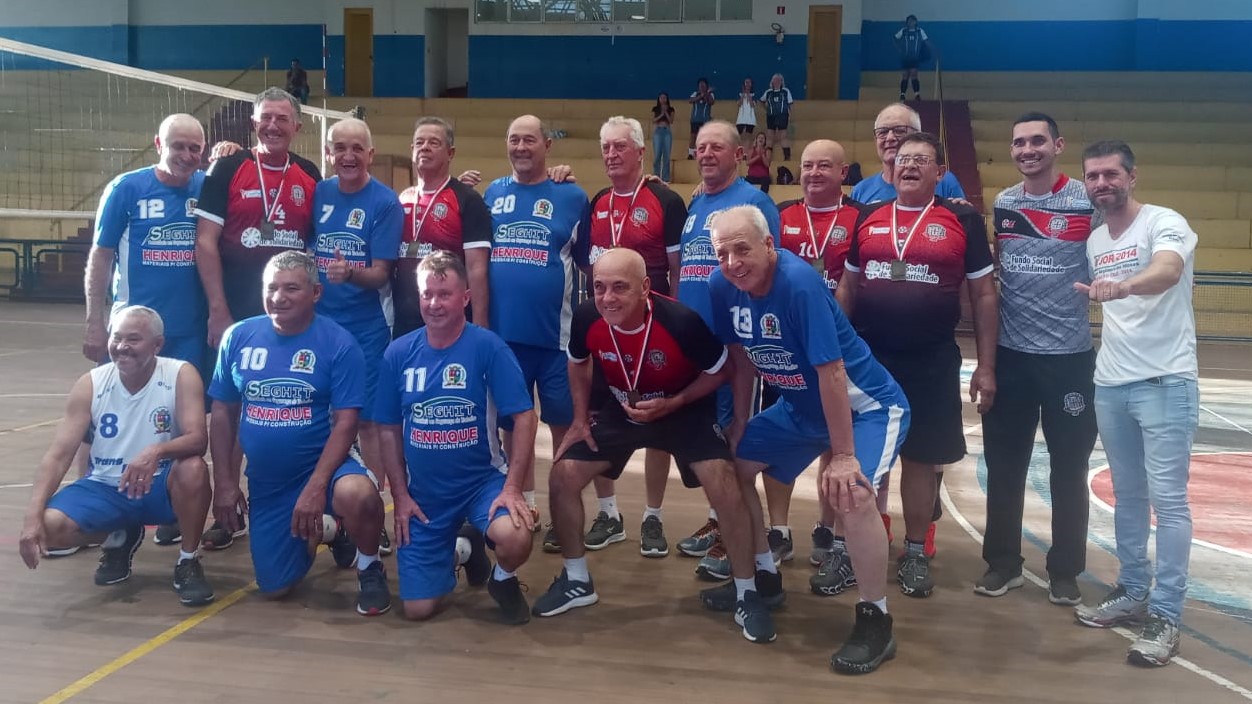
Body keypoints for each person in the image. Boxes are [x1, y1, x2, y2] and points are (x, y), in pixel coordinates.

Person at [532, 249, 775, 642]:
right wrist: (578, 419)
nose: (607, 297)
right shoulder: (587, 317)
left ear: (645, 287)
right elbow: (577, 362)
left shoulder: (681, 322)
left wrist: (676, 402)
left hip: (683, 411)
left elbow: (722, 371)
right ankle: (576, 580)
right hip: (622, 409)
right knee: (562, 476)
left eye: (619, 287)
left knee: (724, 481)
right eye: (599, 287)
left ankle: (747, 592)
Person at [709, 205, 910, 673]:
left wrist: (843, 455)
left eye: (742, 249)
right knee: (732, 470)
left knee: (853, 494)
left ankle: (876, 620)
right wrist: (741, 421)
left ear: (769, 245)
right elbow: (740, 357)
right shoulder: (722, 285)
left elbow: (832, 372)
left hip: (867, 408)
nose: (733, 262)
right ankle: (764, 576)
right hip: (800, 409)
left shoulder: (798, 284)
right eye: (722, 253)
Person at [837, 132, 998, 599]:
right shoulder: (868, 217)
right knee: (866, 459)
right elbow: (847, 287)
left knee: (921, 459)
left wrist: (986, 366)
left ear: (939, 171)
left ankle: (913, 552)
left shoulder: (962, 219)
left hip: (932, 360)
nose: (908, 166)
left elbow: (984, 296)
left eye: (920, 160)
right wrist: (835, 353)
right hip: (871, 360)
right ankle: (853, 551)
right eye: (902, 159)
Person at [1072, 140, 1199, 668]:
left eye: (1111, 174)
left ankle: (1166, 615)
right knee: (1127, 496)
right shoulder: (1096, 238)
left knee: (1168, 503)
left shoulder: (1163, 222)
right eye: (1093, 176)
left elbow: (1167, 271)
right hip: (1111, 383)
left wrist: (1123, 287)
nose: (1102, 183)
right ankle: (1131, 590)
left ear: (1132, 176)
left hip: (1166, 381)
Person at [208, 251, 390, 616]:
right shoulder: (238, 337)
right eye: (271, 288)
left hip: (326, 468)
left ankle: (370, 567)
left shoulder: (339, 344)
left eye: (291, 288)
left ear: (316, 293)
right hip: (269, 482)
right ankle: (332, 530)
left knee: (357, 495)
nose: (279, 297)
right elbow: (223, 413)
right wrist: (225, 483)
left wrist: (316, 486)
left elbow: (347, 423)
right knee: (275, 588)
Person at [550, 116, 687, 558]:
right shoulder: (598, 202)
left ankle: (653, 516)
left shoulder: (665, 200)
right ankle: (609, 514)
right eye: (605, 147)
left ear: (641, 152)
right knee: (598, 420)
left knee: (658, 426)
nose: (610, 154)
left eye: (619, 147)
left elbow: (679, 271)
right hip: (604, 334)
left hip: (653, 335)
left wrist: (673, 326)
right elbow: (584, 261)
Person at [375, 251, 536, 624]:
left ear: (465, 297)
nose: (434, 303)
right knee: (417, 610)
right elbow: (387, 427)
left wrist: (513, 488)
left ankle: (503, 579)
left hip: (482, 483)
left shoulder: (489, 347)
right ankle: (464, 549)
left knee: (514, 535)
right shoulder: (398, 353)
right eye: (427, 294)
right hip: (425, 494)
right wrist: (400, 496)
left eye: (444, 294)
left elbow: (525, 417)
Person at [976, 113, 1098, 606]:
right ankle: (1003, 564)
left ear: (1058, 145)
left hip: (1070, 360)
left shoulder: (1086, 201)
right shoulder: (1005, 203)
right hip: (1012, 358)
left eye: (1037, 141)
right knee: (1004, 467)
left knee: (1069, 469)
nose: (1027, 150)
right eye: (1019, 142)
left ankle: (1066, 570)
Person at [19, 306, 215, 607]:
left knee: (193, 469)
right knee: (47, 529)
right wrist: (31, 518)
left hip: (160, 483)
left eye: (133, 339)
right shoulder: (91, 383)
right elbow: (58, 456)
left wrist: (155, 451)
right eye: (117, 337)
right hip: (106, 486)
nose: (122, 346)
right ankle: (120, 534)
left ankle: (187, 560)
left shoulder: (180, 374)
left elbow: (198, 439)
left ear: (157, 345)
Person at [195, 88, 321, 549]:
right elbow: (205, 241)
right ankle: (225, 504)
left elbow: (318, 245)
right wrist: (218, 308)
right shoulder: (228, 168)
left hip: (290, 315)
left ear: (297, 127)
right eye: (265, 118)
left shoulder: (309, 175)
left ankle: (292, 502)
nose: (273, 126)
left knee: (282, 406)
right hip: (236, 311)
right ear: (253, 124)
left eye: (282, 119)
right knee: (227, 408)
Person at [82, 114, 208, 549]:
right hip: (131, 332)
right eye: (178, 146)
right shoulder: (127, 188)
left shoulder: (206, 187)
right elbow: (100, 256)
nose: (187, 155)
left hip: (188, 329)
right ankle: (98, 509)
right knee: (106, 421)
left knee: (181, 424)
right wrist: (94, 322)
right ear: (158, 144)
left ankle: (171, 508)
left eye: (195, 148)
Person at [771, 139, 882, 596]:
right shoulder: (781, 214)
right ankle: (778, 529)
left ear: (843, 173)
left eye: (824, 166)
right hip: (785, 345)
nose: (814, 173)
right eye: (807, 165)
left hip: (839, 346)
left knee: (834, 441)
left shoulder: (861, 217)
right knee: (780, 438)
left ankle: (827, 528)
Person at [675, 119, 780, 580]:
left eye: (716, 147)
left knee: (737, 439)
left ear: (738, 155)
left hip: (735, 347)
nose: (706, 154)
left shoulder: (755, 203)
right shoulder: (697, 202)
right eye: (700, 148)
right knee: (710, 441)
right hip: (695, 346)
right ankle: (720, 520)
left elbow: (770, 269)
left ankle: (744, 542)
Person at [485, 115, 591, 525]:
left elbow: (588, 264)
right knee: (514, 425)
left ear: (547, 145)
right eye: (514, 139)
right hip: (504, 339)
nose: (520, 147)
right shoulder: (492, 193)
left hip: (555, 340)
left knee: (563, 428)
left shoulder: (572, 197)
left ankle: (563, 511)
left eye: (529, 139)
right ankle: (524, 505)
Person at [311, 118, 403, 557]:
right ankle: (330, 506)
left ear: (370, 154)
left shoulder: (384, 202)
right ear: (329, 152)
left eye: (356, 148)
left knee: (367, 422)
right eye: (339, 148)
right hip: (318, 327)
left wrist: (349, 273)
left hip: (366, 328)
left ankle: (372, 514)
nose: (347, 156)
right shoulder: (318, 193)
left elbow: (382, 273)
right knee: (324, 418)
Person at [395, 117, 493, 339]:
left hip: (450, 322)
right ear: (412, 150)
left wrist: (480, 325)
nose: (425, 147)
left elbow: (477, 269)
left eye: (434, 142)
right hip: (405, 321)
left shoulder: (467, 199)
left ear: (450, 153)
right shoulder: (403, 198)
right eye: (419, 142)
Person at [851, 103, 964, 205]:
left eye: (899, 130)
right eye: (883, 132)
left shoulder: (943, 181)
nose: (890, 138)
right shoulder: (861, 191)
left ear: (918, 135)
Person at [894, 16, 932, 101]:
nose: (911, 23)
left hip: (915, 57)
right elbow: (895, 38)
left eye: (912, 21)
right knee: (905, 76)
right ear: (907, 22)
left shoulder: (920, 31)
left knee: (914, 75)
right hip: (905, 57)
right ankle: (902, 94)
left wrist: (932, 50)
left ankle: (917, 94)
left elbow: (926, 41)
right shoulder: (903, 31)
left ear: (915, 22)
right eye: (909, 21)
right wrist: (899, 48)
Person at [760, 73, 794, 161]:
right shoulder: (768, 92)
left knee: (783, 136)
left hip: (782, 116)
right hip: (771, 116)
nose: (777, 82)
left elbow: (790, 104)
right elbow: (761, 101)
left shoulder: (785, 91)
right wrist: (767, 109)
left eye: (779, 80)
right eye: (775, 80)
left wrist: (790, 115)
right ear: (772, 81)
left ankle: (787, 157)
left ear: (781, 81)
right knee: (770, 136)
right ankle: (768, 157)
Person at [687, 78, 715, 160]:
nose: (702, 87)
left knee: (705, 137)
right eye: (700, 85)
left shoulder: (711, 94)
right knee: (693, 136)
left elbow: (711, 102)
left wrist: (706, 94)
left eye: (703, 85)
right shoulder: (695, 93)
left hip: (705, 120)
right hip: (695, 119)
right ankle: (691, 154)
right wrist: (700, 96)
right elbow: (690, 100)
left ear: (707, 86)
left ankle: (704, 153)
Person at [651, 93, 675, 182]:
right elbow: (653, 120)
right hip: (658, 131)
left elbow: (671, 121)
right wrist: (661, 114)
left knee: (666, 155)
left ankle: (665, 178)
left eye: (664, 97)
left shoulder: (671, 109)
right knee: (657, 154)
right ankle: (656, 176)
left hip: (667, 131)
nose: (663, 99)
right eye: (661, 97)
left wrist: (666, 113)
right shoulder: (655, 109)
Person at [735, 77, 757, 145]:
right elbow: (739, 104)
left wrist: (748, 94)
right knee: (739, 136)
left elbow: (752, 105)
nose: (747, 84)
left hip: (750, 119)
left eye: (749, 82)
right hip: (741, 119)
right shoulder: (740, 94)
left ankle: (747, 149)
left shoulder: (754, 95)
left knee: (748, 136)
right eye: (746, 82)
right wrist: (743, 94)